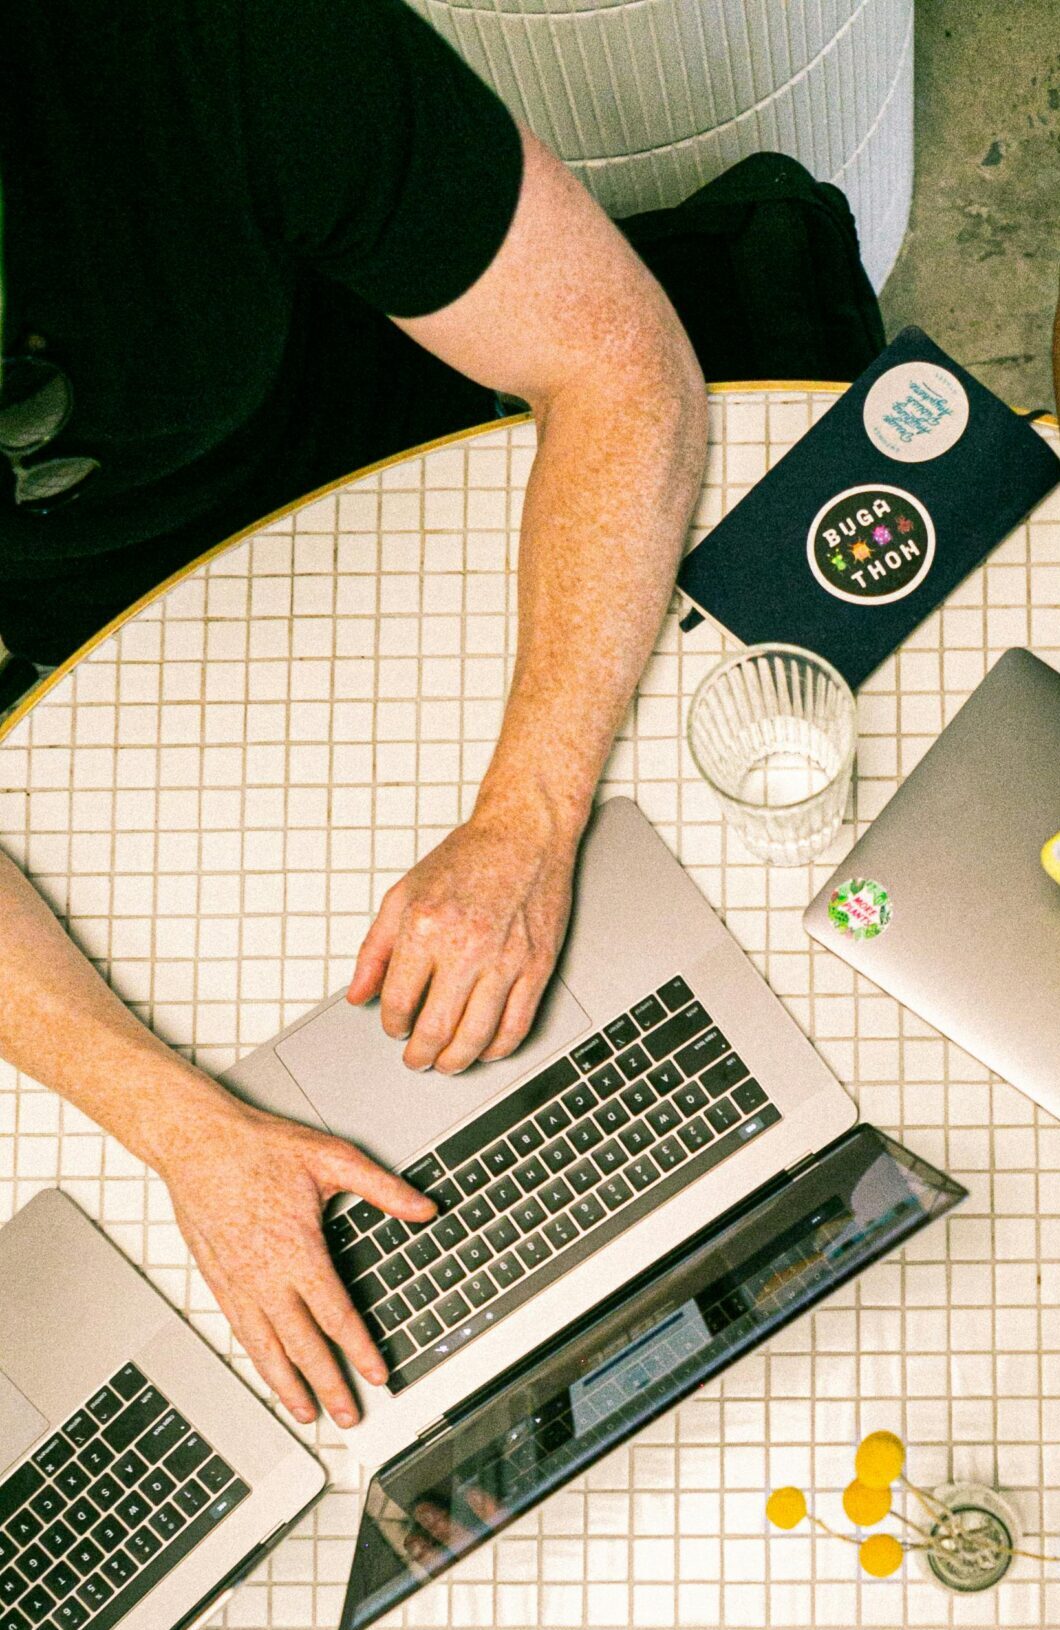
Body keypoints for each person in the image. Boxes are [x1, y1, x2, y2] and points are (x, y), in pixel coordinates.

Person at [0, 0, 708, 1428]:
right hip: (118, 683)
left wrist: (526, 824)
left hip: (442, 506)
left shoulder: (199, 39)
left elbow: (620, 365)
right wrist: (188, 1134)